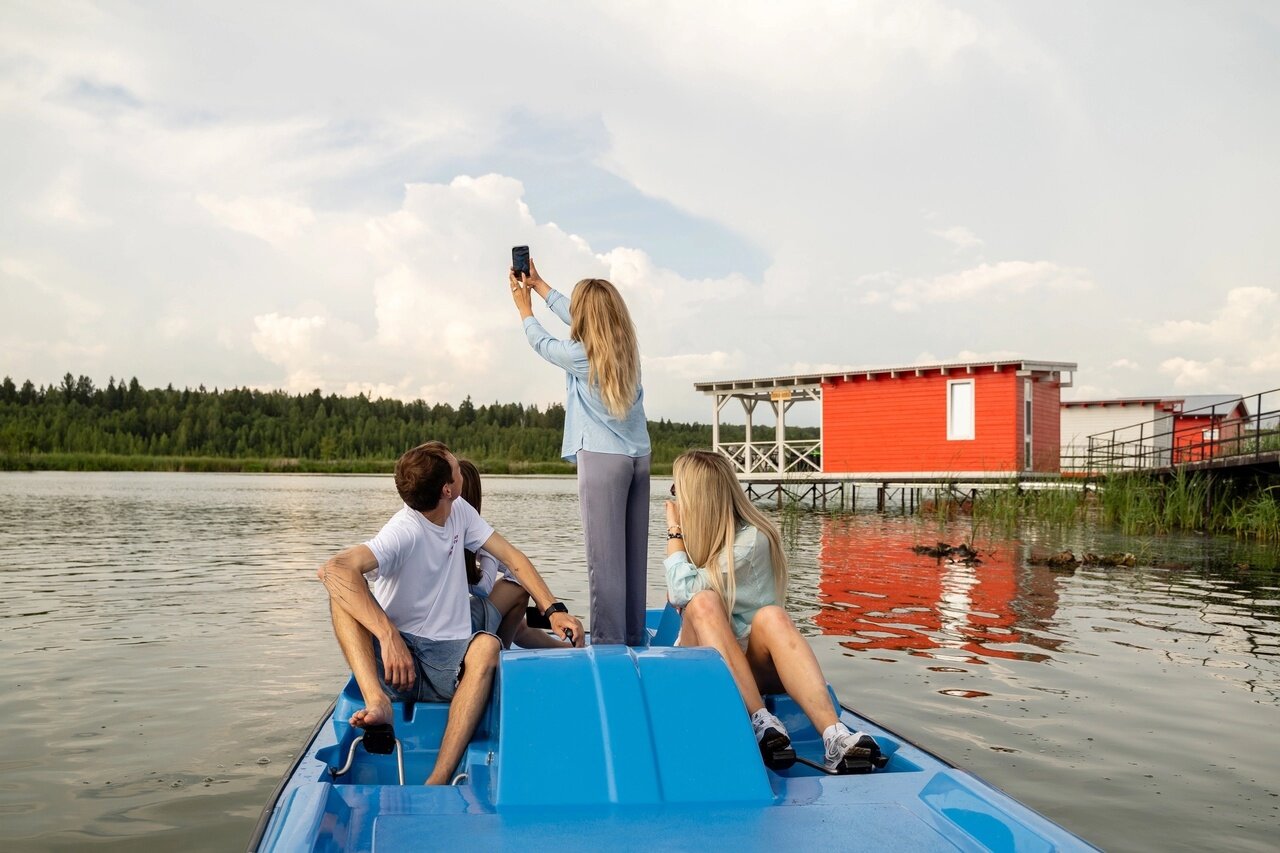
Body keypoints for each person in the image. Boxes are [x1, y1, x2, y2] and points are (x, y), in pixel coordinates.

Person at [318, 441, 584, 786]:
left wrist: (553, 610)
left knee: (487, 645)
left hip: (447, 656)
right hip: (396, 664)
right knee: (340, 593)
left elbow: (513, 558)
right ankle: (376, 701)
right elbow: (333, 568)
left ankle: (438, 779)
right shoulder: (405, 530)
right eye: (457, 468)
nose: (462, 470)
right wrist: (388, 635)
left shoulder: (459, 512)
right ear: (448, 488)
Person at [663, 449, 883, 773]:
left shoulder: (751, 540)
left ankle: (834, 735)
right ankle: (759, 720)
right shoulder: (695, 540)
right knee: (704, 601)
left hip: (752, 662)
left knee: (772, 616)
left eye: (676, 493)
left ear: (698, 500)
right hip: (702, 664)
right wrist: (678, 534)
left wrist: (674, 532)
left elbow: (681, 587)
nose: (675, 502)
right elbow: (679, 592)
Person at [509, 258, 651, 646]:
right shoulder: (625, 349)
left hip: (603, 460)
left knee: (604, 566)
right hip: (639, 457)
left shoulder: (580, 354)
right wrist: (539, 284)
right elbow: (583, 315)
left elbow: (541, 342)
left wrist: (525, 309)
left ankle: (607, 650)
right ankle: (635, 640)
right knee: (632, 561)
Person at [457, 458, 568, 649]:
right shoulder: (465, 530)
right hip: (456, 626)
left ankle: (569, 648)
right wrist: (489, 554)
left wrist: (541, 598)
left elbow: (514, 568)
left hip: (455, 618)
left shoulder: (451, 522)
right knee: (519, 590)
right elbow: (483, 587)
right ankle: (497, 654)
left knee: (520, 620)